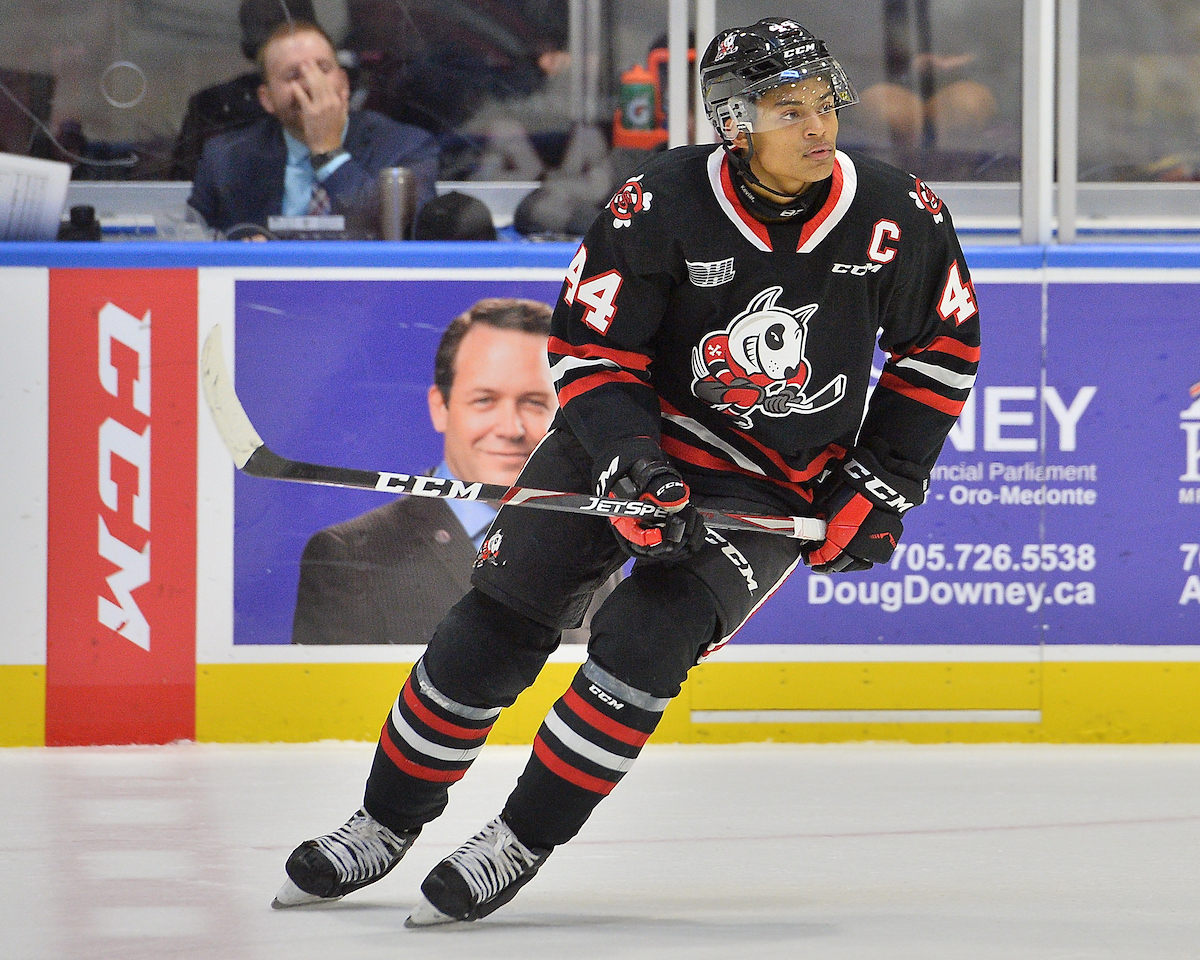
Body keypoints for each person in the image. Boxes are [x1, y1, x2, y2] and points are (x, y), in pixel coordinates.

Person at [271, 17, 980, 926]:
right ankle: (383, 822)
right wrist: (634, 466)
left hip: (766, 480)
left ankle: (519, 839)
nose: (819, 127)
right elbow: (592, 355)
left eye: (824, 105)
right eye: (789, 110)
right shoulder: (658, 204)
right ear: (734, 123)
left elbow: (942, 351)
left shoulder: (898, 214)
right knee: (496, 624)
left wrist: (881, 483)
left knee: (645, 643)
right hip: (623, 441)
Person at [291, 297, 612, 646]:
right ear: (440, 408)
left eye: (534, 402)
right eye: (484, 400)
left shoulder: (589, 546)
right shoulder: (350, 555)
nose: (510, 428)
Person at [188, 19, 438, 236]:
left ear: (344, 84)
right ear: (267, 99)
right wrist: (240, 250)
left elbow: (399, 235)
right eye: (293, 75)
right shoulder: (226, 159)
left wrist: (328, 152)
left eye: (323, 69)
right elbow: (193, 240)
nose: (311, 84)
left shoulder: (404, 147)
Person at [169, 0, 317, 181]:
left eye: (323, 66)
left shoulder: (343, 103)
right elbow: (183, 184)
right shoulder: (212, 105)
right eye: (260, 25)